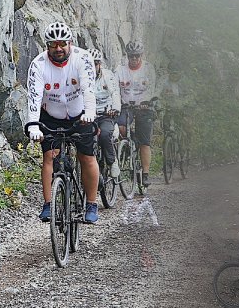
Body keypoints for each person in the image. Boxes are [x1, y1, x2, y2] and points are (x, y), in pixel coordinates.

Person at [25, 22, 100, 223]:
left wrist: (90, 112)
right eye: (53, 44)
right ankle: (49, 204)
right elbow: (34, 97)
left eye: (62, 44)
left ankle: (92, 204)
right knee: (49, 156)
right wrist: (33, 124)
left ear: (70, 43)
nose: (58, 49)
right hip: (51, 115)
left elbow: (88, 89)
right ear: (47, 46)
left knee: (87, 157)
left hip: (80, 113)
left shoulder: (83, 58)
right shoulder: (38, 64)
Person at [116, 40, 157, 185]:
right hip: (126, 106)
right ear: (127, 56)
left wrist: (148, 101)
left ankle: (145, 173)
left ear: (141, 55)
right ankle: (131, 142)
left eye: (137, 56)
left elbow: (152, 87)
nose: (134, 59)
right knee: (120, 127)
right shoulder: (120, 69)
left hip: (144, 107)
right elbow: (115, 88)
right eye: (131, 56)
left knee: (145, 142)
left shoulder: (148, 68)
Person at [91, 49, 122, 178]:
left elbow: (115, 92)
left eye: (96, 64)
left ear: (100, 64)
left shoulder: (107, 75)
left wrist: (115, 109)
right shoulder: (82, 76)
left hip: (106, 114)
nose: (93, 67)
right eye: (90, 64)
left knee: (104, 135)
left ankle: (111, 161)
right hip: (89, 115)